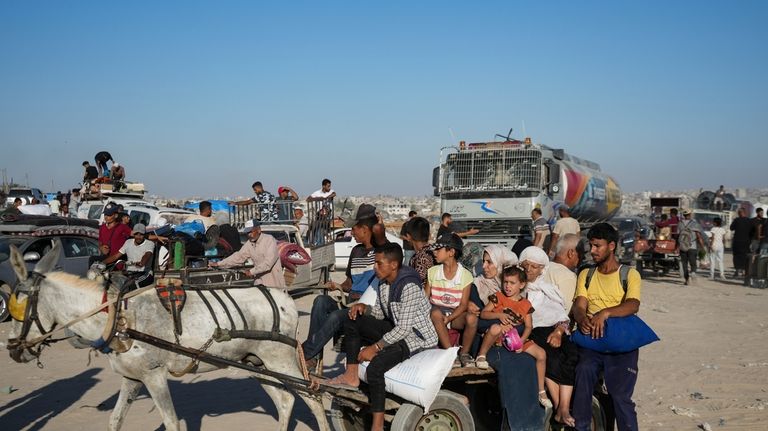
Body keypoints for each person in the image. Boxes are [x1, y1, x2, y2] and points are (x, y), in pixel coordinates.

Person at [322, 243, 438, 431]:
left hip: (416, 338)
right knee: (352, 319)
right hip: (396, 329)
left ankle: (377, 423)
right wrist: (363, 308)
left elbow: (404, 329)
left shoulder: (409, 286)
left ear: (393, 265)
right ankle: (351, 375)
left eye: (378, 263)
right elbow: (380, 313)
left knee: (375, 368)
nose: (374, 267)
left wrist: (375, 348)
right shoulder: (384, 283)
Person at [572, 222, 643, 431]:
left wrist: (606, 313)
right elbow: (579, 304)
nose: (592, 251)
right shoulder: (587, 274)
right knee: (583, 374)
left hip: (621, 344)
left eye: (597, 246)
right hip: (593, 342)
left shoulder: (629, 274)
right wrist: (582, 317)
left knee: (621, 396)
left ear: (611, 246)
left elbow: (633, 304)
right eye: (591, 246)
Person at [301, 204, 378, 366]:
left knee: (336, 316)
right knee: (321, 301)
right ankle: (313, 357)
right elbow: (350, 283)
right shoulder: (356, 251)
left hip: (366, 309)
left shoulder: (381, 253)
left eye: (354, 229)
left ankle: (306, 353)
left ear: (365, 229)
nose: (352, 233)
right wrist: (337, 285)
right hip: (349, 302)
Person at [474, 266, 552, 407]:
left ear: (521, 285)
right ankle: (481, 355)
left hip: (516, 338)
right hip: (498, 336)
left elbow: (528, 326)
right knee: (495, 328)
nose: (507, 286)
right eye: (505, 282)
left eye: (512, 283)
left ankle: (541, 391)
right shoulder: (498, 297)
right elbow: (484, 314)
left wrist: (522, 341)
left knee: (541, 354)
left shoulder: (525, 304)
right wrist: (499, 315)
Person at [521, 246, 577, 426]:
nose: (529, 269)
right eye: (526, 265)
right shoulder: (520, 289)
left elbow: (561, 313)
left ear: (541, 269)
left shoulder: (548, 288)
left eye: (534, 266)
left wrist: (559, 331)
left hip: (557, 328)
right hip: (536, 330)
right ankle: (562, 408)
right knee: (552, 360)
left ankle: (562, 408)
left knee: (572, 355)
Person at [460, 245, 517, 367]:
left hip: (509, 339)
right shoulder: (478, 284)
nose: (484, 266)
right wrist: (502, 323)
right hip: (483, 342)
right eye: (484, 261)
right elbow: (479, 321)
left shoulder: (512, 285)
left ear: (501, 263)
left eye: (489, 262)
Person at [425, 232, 473, 358]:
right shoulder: (433, 272)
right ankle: (450, 353)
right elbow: (425, 299)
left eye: (438, 249)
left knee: (472, 319)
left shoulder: (465, 275)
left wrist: (449, 318)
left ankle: (464, 353)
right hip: (435, 314)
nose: (435, 252)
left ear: (451, 252)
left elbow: (463, 305)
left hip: (455, 315)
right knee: (436, 313)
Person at [209, 219, 285, 287]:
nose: (249, 235)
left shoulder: (269, 240)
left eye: (251, 232)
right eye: (247, 233)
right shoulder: (249, 243)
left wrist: (251, 271)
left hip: (273, 282)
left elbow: (268, 263)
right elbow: (238, 257)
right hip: (259, 282)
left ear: (258, 230)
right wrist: (219, 264)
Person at [102, 223, 155, 288]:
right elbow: (115, 256)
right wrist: (102, 263)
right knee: (110, 282)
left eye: (141, 234)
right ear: (133, 234)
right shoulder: (128, 242)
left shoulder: (150, 244)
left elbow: (147, 255)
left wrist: (142, 263)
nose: (138, 237)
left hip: (144, 273)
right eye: (136, 234)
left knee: (132, 285)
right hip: (129, 273)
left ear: (145, 234)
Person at [544, 233, 581, 305]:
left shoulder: (542, 267)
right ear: (571, 253)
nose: (582, 258)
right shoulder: (568, 276)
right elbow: (566, 310)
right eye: (580, 254)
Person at [406, 216, 436, 285]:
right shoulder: (435, 251)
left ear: (408, 236)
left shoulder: (419, 258)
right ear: (428, 234)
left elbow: (418, 286)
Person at [679, 209, 706, 286]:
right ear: (690, 215)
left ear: (684, 215)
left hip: (682, 246)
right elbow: (699, 236)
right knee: (693, 262)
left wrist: (677, 247)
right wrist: (702, 246)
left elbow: (677, 236)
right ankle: (693, 272)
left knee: (684, 264)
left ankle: (687, 280)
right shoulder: (695, 224)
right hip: (692, 246)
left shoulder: (680, 224)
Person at [730, 207, 751, 278]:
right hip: (746, 242)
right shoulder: (749, 221)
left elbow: (731, 228)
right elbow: (752, 231)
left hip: (737, 241)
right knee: (745, 256)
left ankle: (737, 271)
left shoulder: (737, 220)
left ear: (740, 213)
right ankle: (744, 271)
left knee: (736, 256)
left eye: (739, 213)